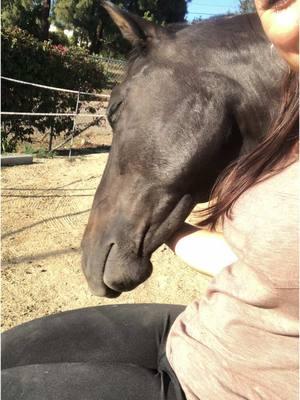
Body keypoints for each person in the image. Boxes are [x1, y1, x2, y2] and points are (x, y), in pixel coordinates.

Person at [2, 1, 299, 399]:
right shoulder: (287, 131)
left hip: (225, 388)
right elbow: (272, 266)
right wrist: (166, 228)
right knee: (9, 352)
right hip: (205, 332)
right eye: (275, 2)